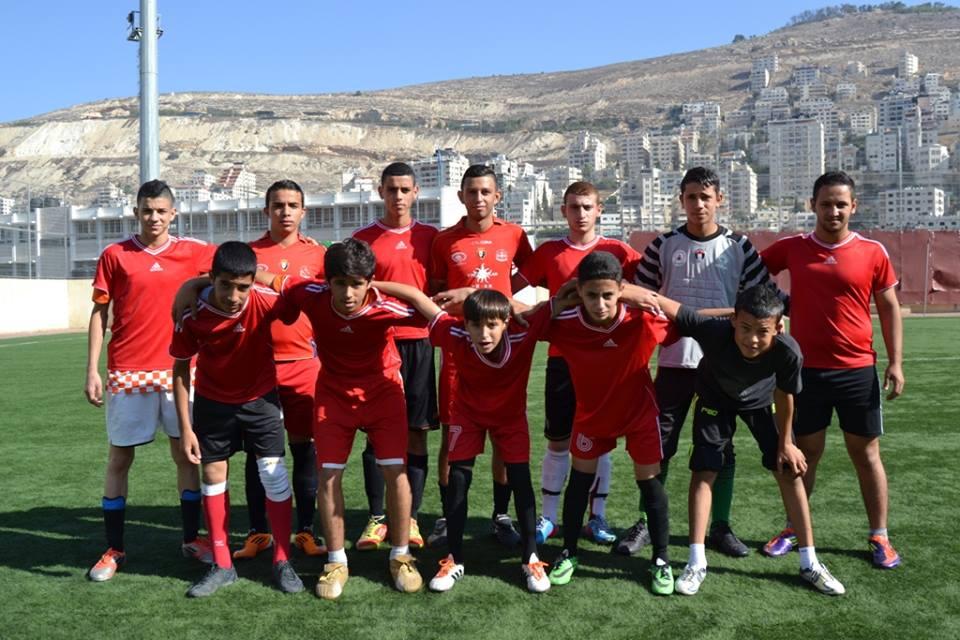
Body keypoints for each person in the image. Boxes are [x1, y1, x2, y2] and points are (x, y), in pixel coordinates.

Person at [645, 283, 845, 596]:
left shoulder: (788, 351)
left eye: (762, 331)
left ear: (778, 328)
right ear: (733, 321)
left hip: (761, 402)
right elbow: (663, 303)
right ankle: (696, 562)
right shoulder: (713, 331)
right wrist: (617, 289)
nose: (752, 339)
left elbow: (786, 395)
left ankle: (810, 563)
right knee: (704, 470)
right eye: (745, 328)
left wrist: (786, 443)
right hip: (714, 399)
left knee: (790, 470)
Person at [760, 171, 904, 569]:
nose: (834, 211)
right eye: (826, 204)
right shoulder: (793, 247)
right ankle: (794, 528)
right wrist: (776, 310)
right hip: (805, 372)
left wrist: (895, 362)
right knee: (805, 454)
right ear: (813, 206)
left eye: (841, 204)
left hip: (857, 371)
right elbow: (752, 273)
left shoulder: (873, 251)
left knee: (867, 454)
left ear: (853, 206)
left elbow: (889, 307)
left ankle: (880, 535)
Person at [628, 166, 772, 558]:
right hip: (674, 362)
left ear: (719, 200)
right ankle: (645, 522)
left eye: (706, 197)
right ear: (681, 201)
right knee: (658, 446)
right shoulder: (663, 245)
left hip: (722, 366)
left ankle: (720, 527)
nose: (698, 204)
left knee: (720, 448)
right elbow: (640, 297)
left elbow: (764, 301)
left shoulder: (739, 247)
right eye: (691, 197)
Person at [272, 238, 424, 599]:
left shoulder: (385, 305)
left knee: (395, 471)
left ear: (369, 282)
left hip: (383, 392)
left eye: (357, 283)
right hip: (334, 395)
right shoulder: (310, 294)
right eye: (340, 283)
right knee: (329, 475)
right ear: (327, 281)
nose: (348, 293)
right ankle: (336, 562)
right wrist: (197, 284)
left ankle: (401, 555)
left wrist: (381, 286)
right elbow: (271, 280)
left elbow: (428, 308)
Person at [375, 283, 552, 593]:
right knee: (458, 478)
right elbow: (416, 297)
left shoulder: (523, 332)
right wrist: (370, 283)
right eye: (476, 325)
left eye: (492, 325)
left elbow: (564, 299)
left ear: (506, 322)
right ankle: (454, 558)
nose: (484, 334)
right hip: (467, 416)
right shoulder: (454, 333)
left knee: (521, 478)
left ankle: (531, 558)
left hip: (510, 418)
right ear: (464, 323)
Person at [84, 179, 215, 582]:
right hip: (128, 372)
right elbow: (99, 314)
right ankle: (114, 549)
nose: (154, 217)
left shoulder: (195, 252)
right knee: (120, 458)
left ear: (173, 213)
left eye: (161, 211)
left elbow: (235, 274)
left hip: (181, 372)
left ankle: (192, 539)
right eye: (147, 210)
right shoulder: (115, 255)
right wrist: (92, 369)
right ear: (135, 212)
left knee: (186, 456)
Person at [171, 241, 302, 597]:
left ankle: (282, 560)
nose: (233, 296)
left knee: (274, 475)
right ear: (212, 278)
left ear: (252, 282)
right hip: (212, 404)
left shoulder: (265, 301)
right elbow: (180, 369)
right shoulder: (191, 312)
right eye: (225, 285)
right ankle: (222, 564)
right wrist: (185, 428)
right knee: (213, 477)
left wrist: (262, 277)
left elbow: (294, 297)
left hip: (261, 401)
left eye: (243, 286)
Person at [518, 181, 641, 546]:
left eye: (588, 207)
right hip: (562, 360)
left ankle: (597, 517)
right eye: (574, 207)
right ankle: (549, 518)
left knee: (600, 442)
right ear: (563, 211)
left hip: (605, 364)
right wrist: (545, 310)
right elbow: (508, 291)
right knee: (558, 441)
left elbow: (646, 290)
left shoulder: (619, 251)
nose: (581, 213)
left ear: (599, 210)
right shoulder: (550, 252)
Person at [544, 251, 674, 595]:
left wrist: (639, 294)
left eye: (608, 295)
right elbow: (524, 320)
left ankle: (661, 559)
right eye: (591, 295)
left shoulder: (641, 320)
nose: (600, 304)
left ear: (620, 290)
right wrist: (560, 299)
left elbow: (689, 319)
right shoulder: (566, 323)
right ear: (579, 291)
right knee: (579, 484)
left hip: (639, 415)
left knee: (650, 485)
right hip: (592, 417)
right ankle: (569, 552)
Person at [429, 164, 534, 548]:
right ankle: (447, 514)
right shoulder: (444, 240)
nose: (478, 198)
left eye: (485, 192)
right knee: (451, 433)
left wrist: (500, 301)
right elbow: (437, 291)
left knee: (504, 436)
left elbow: (529, 274)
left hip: (501, 350)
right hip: (460, 349)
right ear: (461, 196)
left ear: (497, 196)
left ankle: (501, 515)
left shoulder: (514, 234)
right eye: (471, 192)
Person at [235, 179, 327, 561]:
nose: (285, 211)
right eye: (278, 205)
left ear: (303, 211)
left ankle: (305, 530)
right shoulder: (248, 254)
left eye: (292, 205)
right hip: (258, 367)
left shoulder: (319, 255)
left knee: (304, 448)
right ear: (266, 210)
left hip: (304, 365)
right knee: (257, 451)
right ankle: (258, 532)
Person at [352, 162, 439, 551]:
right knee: (376, 432)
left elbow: (439, 287)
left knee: (417, 433)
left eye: (405, 189)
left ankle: (411, 517)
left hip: (419, 343)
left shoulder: (431, 238)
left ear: (416, 192)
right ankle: (377, 518)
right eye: (392, 189)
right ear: (381, 192)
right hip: (378, 343)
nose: (398, 196)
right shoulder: (363, 239)